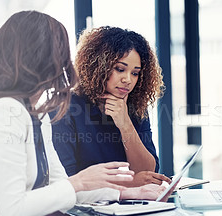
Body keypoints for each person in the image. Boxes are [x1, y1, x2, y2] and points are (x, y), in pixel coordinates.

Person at [0, 11, 167, 216]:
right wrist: (81, 182)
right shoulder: (3, 112)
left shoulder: (35, 112)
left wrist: (125, 194)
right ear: (36, 57)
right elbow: (12, 210)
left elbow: (59, 186)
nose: (67, 63)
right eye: (60, 52)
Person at [50, 26, 171, 187]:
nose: (127, 79)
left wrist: (125, 124)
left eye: (135, 73)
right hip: (82, 210)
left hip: (130, 206)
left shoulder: (134, 107)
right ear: (98, 66)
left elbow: (149, 172)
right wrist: (129, 183)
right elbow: (67, 180)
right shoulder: (64, 107)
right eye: (120, 69)